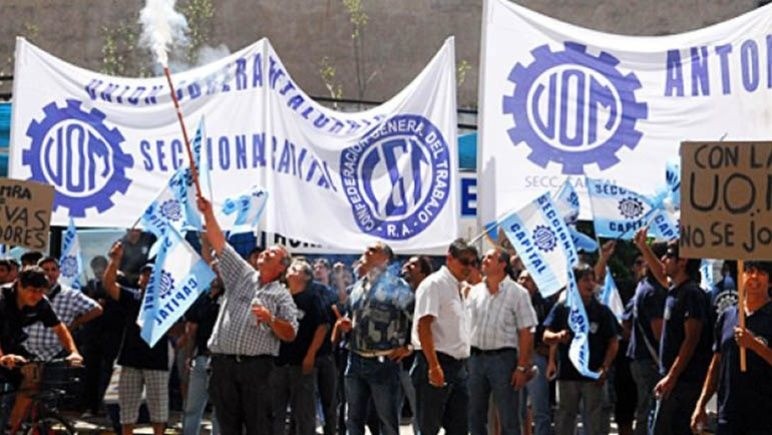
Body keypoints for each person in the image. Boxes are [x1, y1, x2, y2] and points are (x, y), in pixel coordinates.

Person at [197, 196, 298, 435]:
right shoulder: (242, 274)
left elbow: (291, 333)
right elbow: (220, 244)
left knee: (258, 427)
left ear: (281, 267)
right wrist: (209, 213)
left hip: (257, 370)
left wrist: (270, 319)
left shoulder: (282, 296)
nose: (264, 253)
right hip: (223, 365)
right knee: (227, 426)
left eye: (271, 253)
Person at [331, 242, 414, 435]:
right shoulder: (358, 287)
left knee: (387, 421)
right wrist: (347, 324)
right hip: (355, 358)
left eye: (373, 250)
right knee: (352, 418)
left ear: (385, 260)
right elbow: (353, 316)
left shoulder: (397, 287)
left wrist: (409, 346)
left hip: (383, 362)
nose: (365, 252)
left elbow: (416, 317)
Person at [637, 239, 711, 435]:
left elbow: (691, 339)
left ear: (683, 260)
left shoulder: (692, 294)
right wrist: (643, 247)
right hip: (673, 380)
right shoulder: (675, 289)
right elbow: (661, 273)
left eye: (669, 255)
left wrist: (672, 376)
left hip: (684, 383)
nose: (663, 259)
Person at [692, 261, 772, 435]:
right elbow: (717, 363)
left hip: (764, 416)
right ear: (740, 276)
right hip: (729, 414)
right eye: (749, 271)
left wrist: (754, 345)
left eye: (762, 273)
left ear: (770, 281)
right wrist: (701, 403)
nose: (754, 277)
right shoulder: (728, 316)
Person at [0, 266, 83, 431]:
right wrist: (2, 357)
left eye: (40, 291)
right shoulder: (2, 298)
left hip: (12, 344)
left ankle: (12, 428)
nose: (36, 296)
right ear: (18, 285)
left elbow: (60, 328)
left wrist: (74, 352)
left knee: (32, 374)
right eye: (32, 290)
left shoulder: (41, 302)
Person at [543, 263, 619, 435]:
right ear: (574, 283)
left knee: (595, 421)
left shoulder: (601, 311)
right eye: (585, 280)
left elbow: (613, 342)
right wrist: (558, 337)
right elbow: (546, 335)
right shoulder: (563, 308)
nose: (590, 284)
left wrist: (604, 368)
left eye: (592, 280)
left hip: (593, 376)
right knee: (565, 418)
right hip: (568, 376)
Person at [412, 238, 478, 435]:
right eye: (464, 261)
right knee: (429, 427)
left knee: (459, 427)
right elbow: (424, 326)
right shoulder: (434, 284)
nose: (469, 267)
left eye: (473, 263)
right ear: (450, 258)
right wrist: (434, 366)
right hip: (435, 362)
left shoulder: (458, 286)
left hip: (458, 366)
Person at [467, 248, 536, 435]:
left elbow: (526, 332)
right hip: (475, 359)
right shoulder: (474, 292)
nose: (484, 260)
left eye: (490, 257)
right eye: (484, 258)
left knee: (508, 417)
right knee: (474, 415)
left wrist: (522, 367)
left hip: (503, 360)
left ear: (503, 264)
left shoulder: (518, 293)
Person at [104, 244, 170, 435]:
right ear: (140, 279)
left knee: (159, 410)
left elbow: (179, 327)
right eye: (145, 274)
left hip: (157, 361)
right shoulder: (133, 296)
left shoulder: (168, 303)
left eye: (153, 274)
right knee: (127, 409)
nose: (148, 278)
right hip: (130, 359)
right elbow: (109, 285)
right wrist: (114, 261)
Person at [271, 259, 329, 435]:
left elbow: (323, 326)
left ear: (305, 276)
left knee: (304, 413)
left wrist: (310, 355)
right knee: (276, 412)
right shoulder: (281, 296)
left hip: (301, 364)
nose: (290, 270)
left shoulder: (312, 298)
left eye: (295, 269)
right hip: (279, 362)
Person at [23, 257, 102, 361]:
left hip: (57, 353)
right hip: (27, 352)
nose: (50, 273)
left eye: (53, 269)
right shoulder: (27, 292)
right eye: (46, 270)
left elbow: (97, 309)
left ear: (59, 272)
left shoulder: (70, 295)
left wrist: (76, 323)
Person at [626, 236, 668, 435]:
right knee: (650, 408)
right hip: (649, 360)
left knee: (647, 407)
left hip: (640, 357)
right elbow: (660, 333)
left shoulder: (644, 285)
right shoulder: (654, 291)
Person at [81, 255, 126, 417]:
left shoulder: (118, 285)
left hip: (113, 335)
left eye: (102, 269)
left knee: (109, 371)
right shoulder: (88, 287)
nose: (99, 272)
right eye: (97, 270)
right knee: (91, 371)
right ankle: (91, 406)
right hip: (93, 336)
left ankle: (109, 407)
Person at [181, 275, 223, 435]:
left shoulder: (229, 297)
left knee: (220, 408)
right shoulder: (201, 297)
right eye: (212, 272)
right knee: (192, 406)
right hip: (201, 357)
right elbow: (192, 329)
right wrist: (189, 355)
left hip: (220, 359)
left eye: (218, 272)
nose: (215, 276)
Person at [518, 270, 556, 435]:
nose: (524, 282)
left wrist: (550, 358)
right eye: (521, 278)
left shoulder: (545, 304)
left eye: (529, 279)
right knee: (517, 409)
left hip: (537, 359)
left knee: (540, 409)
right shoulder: (512, 299)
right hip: (515, 358)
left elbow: (552, 330)